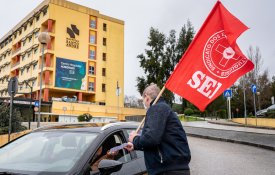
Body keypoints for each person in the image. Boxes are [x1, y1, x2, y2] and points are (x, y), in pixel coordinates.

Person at [124, 83, 191, 175]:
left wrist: (135, 138)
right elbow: (157, 143)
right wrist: (135, 145)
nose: (145, 105)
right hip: (174, 168)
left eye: (144, 101)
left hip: (167, 170)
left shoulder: (157, 108)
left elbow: (151, 138)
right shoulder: (163, 108)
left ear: (146, 97)